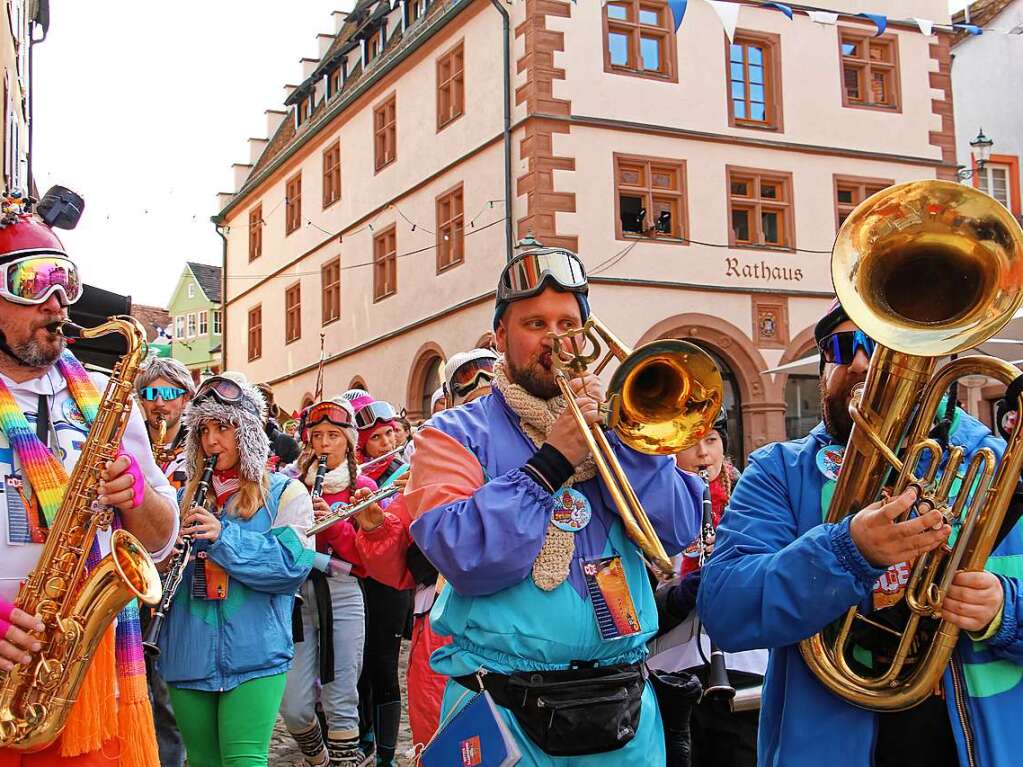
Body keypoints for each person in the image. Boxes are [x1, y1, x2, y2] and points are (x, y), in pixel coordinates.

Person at [404, 248, 702, 765]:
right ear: (500, 337)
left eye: (569, 322)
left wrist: (630, 445)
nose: (555, 338)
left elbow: (676, 529)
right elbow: (465, 555)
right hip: (502, 708)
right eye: (535, 323)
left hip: (623, 709)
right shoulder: (451, 434)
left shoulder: (621, 430)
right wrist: (553, 461)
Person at [699, 300, 1023, 767]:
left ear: (938, 357)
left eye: (883, 344)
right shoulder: (780, 472)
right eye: (841, 345)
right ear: (823, 366)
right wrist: (848, 551)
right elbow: (724, 610)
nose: (861, 362)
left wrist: (1005, 610)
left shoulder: (1001, 465)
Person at [0, 195, 178, 766]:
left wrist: (137, 498)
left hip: (91, 679)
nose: (56, 305)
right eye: (33, 285)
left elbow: (160, 536)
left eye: (65, 287)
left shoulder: (107, 398)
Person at [155, 373, 316, 767]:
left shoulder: (285, 493)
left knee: (244, 759)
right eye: (204, 430)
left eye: (224, 427)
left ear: (247, 431)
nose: (211, 440)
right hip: (186, 654)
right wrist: (160, 557)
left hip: (256, 655)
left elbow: (292, 565)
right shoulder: (178, 499)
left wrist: (223, 538)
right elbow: (152, 577)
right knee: (203, 762)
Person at [354, 348, 498, 748]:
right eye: (470, 403)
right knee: (441, 733)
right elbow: (397, 560)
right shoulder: (431, 462)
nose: (483, 412)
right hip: (442, 620)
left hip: (518, 622)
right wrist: (376, 525)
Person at [648, 409, 765, 767]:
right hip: (672, 672)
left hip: (748, 668)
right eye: (691, 443)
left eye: (711, 440)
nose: (703, 454)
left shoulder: (756, 502)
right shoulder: (646, 510)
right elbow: (632, 608)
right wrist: (681, 592)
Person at [280, 397, 383, 767]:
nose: (324, 444)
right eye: (317, 435)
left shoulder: (363, 484)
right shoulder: (289, 484)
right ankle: (320, 760)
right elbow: (279, 538)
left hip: (343, 589)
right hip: (297, 590)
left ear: (349, 442)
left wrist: (335, 525)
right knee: (293, 706)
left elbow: (368, 557)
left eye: (333, 436)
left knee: (342, 697)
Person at [135, 356, 196, 767]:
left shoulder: (199, 455)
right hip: (132, 587)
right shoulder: (134, 443)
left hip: (178, 590)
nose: (159, 403)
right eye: (150, 394)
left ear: (186, 400)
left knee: (169, 702)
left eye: (169, 394)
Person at [348, 394, 412, 766]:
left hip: (391, 584)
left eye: (390, 434)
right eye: (376, 438)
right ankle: (364, 730)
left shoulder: (410, 469)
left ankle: (386, 755)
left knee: (384, 665)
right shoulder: (356, 477)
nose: (387, 443)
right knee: (361, 665)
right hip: (359, 579)